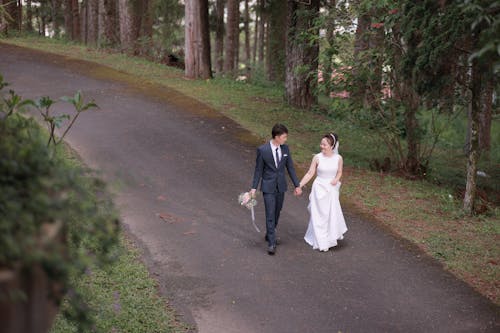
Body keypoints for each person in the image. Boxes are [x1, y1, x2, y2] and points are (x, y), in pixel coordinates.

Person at [250, 124, 302, 255]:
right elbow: (258, 170)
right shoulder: (263, 150)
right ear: (277, 137)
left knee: (277, 211)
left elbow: (290, 168)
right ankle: (272, 243)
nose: (286, 139)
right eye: (284, 137)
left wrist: (297, 185)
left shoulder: (285, 149)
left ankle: (269, 233)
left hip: (281, 186)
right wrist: (253, 188)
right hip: (268, 187)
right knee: (270, 213)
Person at [298, 133, 347, 252]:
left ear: (332, 145)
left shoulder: (338, 158)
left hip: (331, 189)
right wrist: (300, 185)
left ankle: (329, 238)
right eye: (321, 144)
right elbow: (310, 173)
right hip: (319, 189)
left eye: (324, 144)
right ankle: (320, 241)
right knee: (318, 215)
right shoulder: (317, 158)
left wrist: (336, 179)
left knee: (330, 214)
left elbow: (339, 172)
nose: (322, 146)